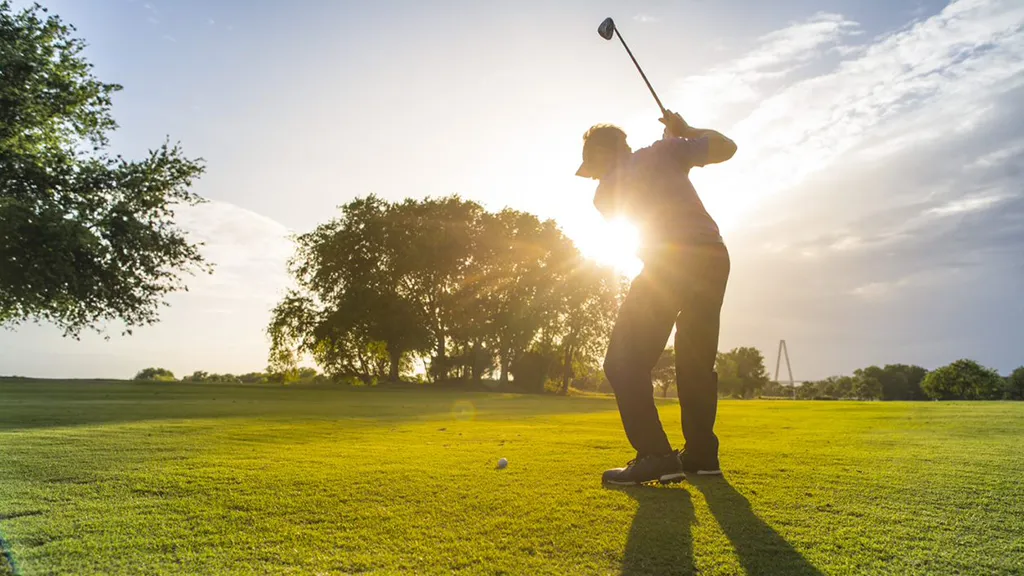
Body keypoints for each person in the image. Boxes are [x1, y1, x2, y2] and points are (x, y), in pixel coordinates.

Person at [574, 110, 736, 485]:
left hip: (669, 264)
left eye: (593, 166)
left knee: (622, 362)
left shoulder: (605, 192)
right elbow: (727, 147)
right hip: (713, 256)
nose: (593, 177)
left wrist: (674, 145)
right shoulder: (665, 152)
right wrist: (685, 134)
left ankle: (657, 455)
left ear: (602, 156)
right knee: (695, 362)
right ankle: (700, 454)